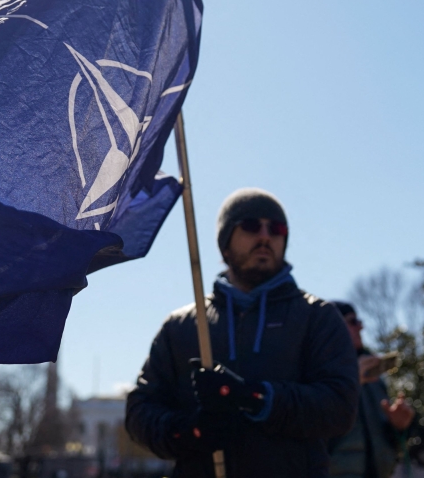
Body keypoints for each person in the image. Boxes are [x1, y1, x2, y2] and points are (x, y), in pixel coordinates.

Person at [125, 188, 360, 477]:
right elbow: (140, 411)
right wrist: (190, 433)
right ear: (224, 245)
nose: (265, 236)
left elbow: (340, 407)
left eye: (276, 228)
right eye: (250, 225)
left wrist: (255, 397)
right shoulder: (181, 326)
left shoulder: (318, 317)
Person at [328, 302, 415, 478]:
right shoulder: (317, 371)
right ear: (333, 327)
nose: (361, 326)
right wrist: (349, 383)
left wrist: (398, 427)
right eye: (353, 321)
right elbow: (314, 436)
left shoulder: (373, 375)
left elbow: (385, 441)